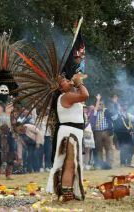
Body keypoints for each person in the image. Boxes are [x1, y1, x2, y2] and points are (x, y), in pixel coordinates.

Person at [46, 73, 89, 201]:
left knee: (71, 163)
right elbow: (85, 95)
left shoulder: (68, 95)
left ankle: (67, 190)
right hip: (70, 133)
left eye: (66, 78)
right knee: (70, 163)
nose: (68, 80)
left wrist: (76, 84)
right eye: (64, 81)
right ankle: (66, 192)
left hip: (71, 132)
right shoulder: (66, 96)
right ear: (60, 88)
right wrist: (79, 83)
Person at [90, 94, 114, 169]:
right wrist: (98, 100)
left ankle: (109, 164)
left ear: (104, 105)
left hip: (106, 132)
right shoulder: (95, 112)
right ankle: (100, 164)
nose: (100, 105)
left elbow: (111, 119)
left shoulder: (106, 111)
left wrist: (110, 130)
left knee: (108, 148)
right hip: (97, 133)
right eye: (99, 104)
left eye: (101, 104)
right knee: (99, 149)